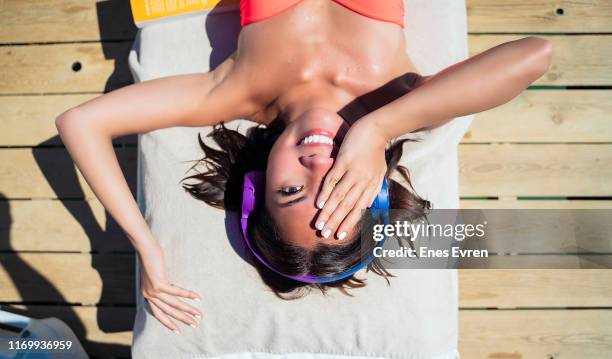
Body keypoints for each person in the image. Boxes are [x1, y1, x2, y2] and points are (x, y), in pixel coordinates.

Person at [55, 0, 553, 333]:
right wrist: (377, 130)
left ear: (258, 184)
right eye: (337, 185)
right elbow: (534, 55)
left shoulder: (234, 93)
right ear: (371, 186)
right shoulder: (396, 102)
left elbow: (80, 123)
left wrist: (146, 246)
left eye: (291, 191)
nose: (316, 164)